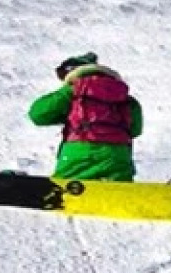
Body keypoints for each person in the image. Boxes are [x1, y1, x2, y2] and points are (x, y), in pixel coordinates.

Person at [29, 52, 142, 181]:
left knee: (66, 190)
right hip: (118, 156)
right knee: (117, 190)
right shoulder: (126, 98)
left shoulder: (74, 90)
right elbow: (135, 129)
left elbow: (38, 114)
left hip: (79, 154)